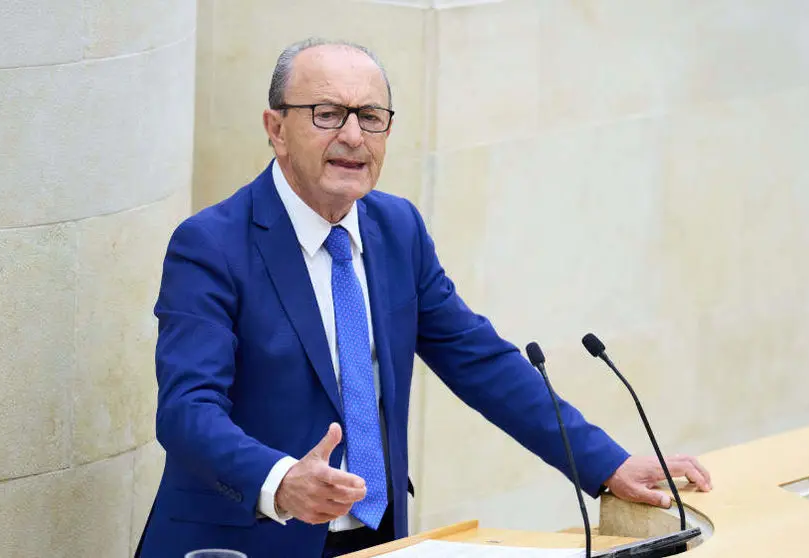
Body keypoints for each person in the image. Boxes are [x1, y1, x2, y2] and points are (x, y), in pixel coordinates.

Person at [136, 38, 711, 558]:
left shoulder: (397, 229)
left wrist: (607, 463)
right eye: (327, 114)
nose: (353, 136)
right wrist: (281, 480)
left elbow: (481, 361)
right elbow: (187, 411)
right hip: (244, 545)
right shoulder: (210, 245)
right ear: (276, 127)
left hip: (379, 540)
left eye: (371, 116)